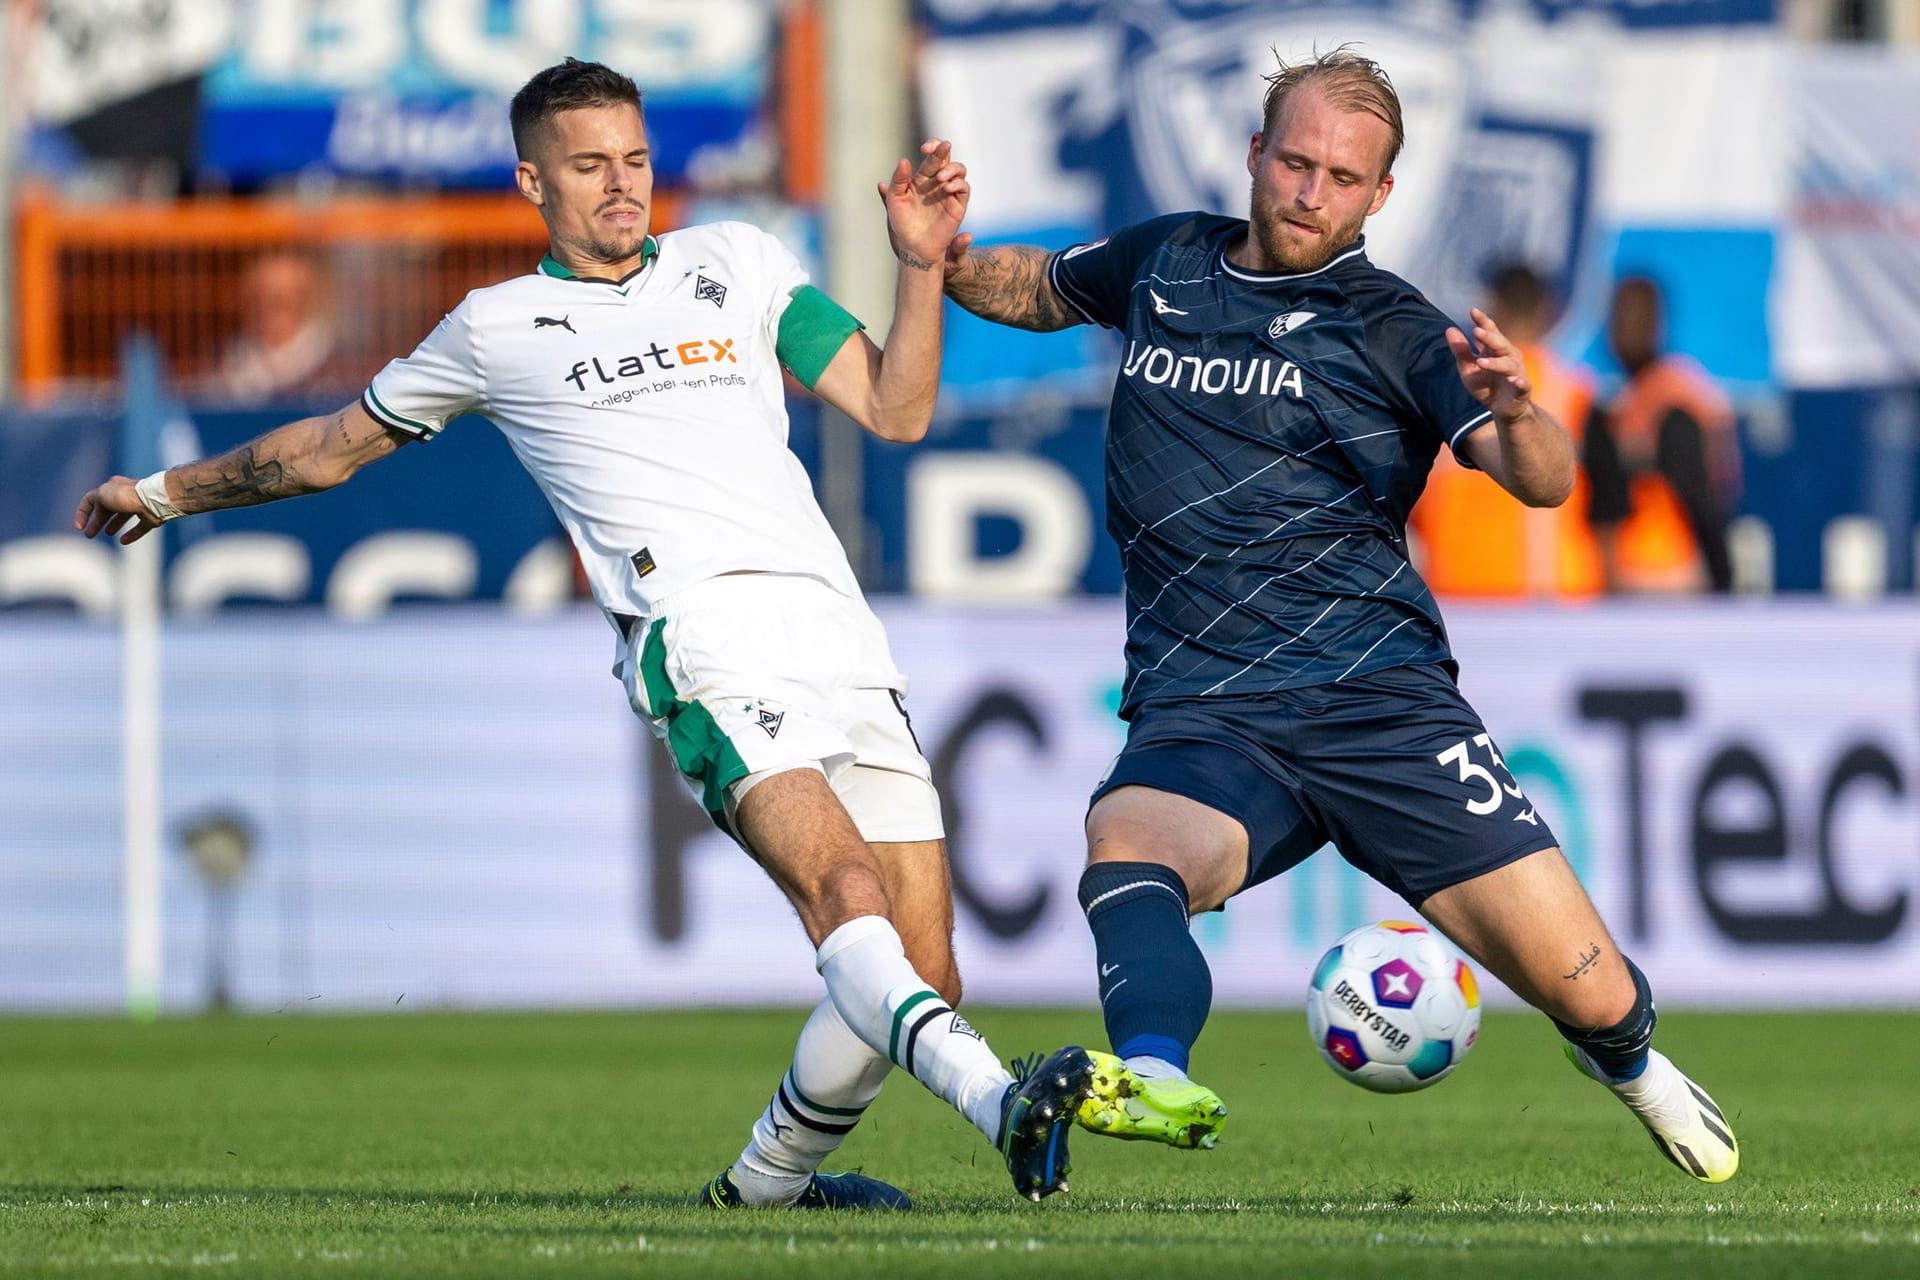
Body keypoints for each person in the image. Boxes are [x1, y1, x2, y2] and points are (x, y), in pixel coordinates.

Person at [77, 57, 1093, 1208]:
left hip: (837, 630)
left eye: (637, 161)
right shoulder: (495, 328)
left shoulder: (738, 261)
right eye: (591, 166)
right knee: (843, 888)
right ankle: (1004, 1102)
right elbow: (323, 451)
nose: (623, 186)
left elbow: (896, 408)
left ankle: (763, 1189)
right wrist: (161, 492)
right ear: (532, 181)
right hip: (699, 634)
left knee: (926, 968)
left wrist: (918, 268)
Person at [940, 48, 1738, 1182]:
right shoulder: (1164, 258)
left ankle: (1631, 1064)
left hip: (1381, 707)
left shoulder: (1394, 329)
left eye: (1344, 178)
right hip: (1207, 705)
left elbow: (1545, 477)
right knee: (1127, 845)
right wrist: (946, 259)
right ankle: (1157, 1074)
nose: (1313, 193)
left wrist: (1519, 412)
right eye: (1297, 162)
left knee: (1591, 988)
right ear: (1256, 154)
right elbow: (1035, 287)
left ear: (1381, 195)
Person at [1407, 262, 1604, 599]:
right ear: (1547, 312)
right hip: (1554, 601)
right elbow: (1608, 509)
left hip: (1456, 601)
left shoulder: (1443, 394)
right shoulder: (1576, 396)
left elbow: (1410, 502)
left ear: (1489, 310)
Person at [1584, 275, 1739, 594]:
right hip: (1624, 579)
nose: (1625, 329)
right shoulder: (1620, 400)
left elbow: (1701, 501)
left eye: (1637, 317)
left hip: (1666, 580)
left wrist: (1724, 586)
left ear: (1656, 323)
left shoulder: (1672, 400)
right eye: (1619, 317)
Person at [212, 249, 347, 402]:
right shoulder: (227, 358)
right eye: (264, 293)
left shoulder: (333, 357)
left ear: (305, 298)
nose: (275, 303)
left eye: (285, 295)